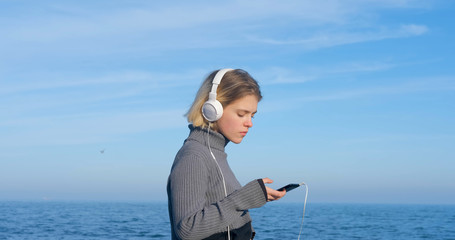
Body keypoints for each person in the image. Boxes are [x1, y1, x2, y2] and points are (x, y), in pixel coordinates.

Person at [167, 68, 286, 240]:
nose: (249, 123)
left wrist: (254, 197)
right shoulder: (194, 156)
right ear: (212, 109)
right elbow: (187, 230)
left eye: (253, 115)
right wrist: (244, 198)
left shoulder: (216, 153)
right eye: (241, 114)